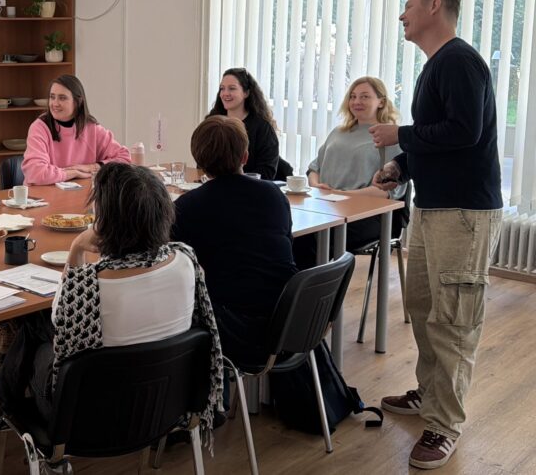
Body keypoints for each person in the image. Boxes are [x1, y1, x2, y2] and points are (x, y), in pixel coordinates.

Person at [0, 163, 224, 441]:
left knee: (35, 324)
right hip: (167, 403)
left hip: (86, 417)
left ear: (102, 221)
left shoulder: (88, 286)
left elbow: (63, 322)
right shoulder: (186, 260)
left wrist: (77, 248)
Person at [369, 0, 503, 470]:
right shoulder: (436, 65)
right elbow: (439, 137)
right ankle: (430, 394)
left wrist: (399, 134)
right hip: (434, 207)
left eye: (408, 5)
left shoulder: (460, 61)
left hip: (463, 214)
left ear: (434, 5)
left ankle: (444, 424)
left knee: (453, 322)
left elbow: (466, 132)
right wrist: (401, 164)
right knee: (426, 309)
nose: (402, 15)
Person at [171, 115, 297, 367]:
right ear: (245, 157)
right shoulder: (274, 195)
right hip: (290, 316)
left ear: (199, 161)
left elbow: (173, 265)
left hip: (235, 328)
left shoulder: (188, 207)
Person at [292, 76, 408, 269]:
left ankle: (313, 287)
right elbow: (314, 168)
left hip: (366, 215)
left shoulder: (389, 136)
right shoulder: (338, 132)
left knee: (309, 238)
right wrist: (317, 185)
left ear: (381, 102)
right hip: (327, 207)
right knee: (291, 229)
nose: (356, 102)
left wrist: (342, 194)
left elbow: (388, 192)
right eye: (353, 96)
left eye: (364, 96)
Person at [22, 75, 130, 185]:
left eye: (62, 98)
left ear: (78, 101)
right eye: (52, 97)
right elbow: (35, 173)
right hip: (42, 194)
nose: (55, 103)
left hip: (80, 192)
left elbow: (124, 158)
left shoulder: (92, 128)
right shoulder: (39, 127)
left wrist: (92, 167)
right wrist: (73, 173)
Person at [206, 68, 280, 179]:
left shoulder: (262, 128)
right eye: (222, 88)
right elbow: (202, 161)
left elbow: (266, 171)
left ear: (246, 93)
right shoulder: (212, 123)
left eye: (232, 88)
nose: (225, 93)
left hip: (249, 188)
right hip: (214, 185)